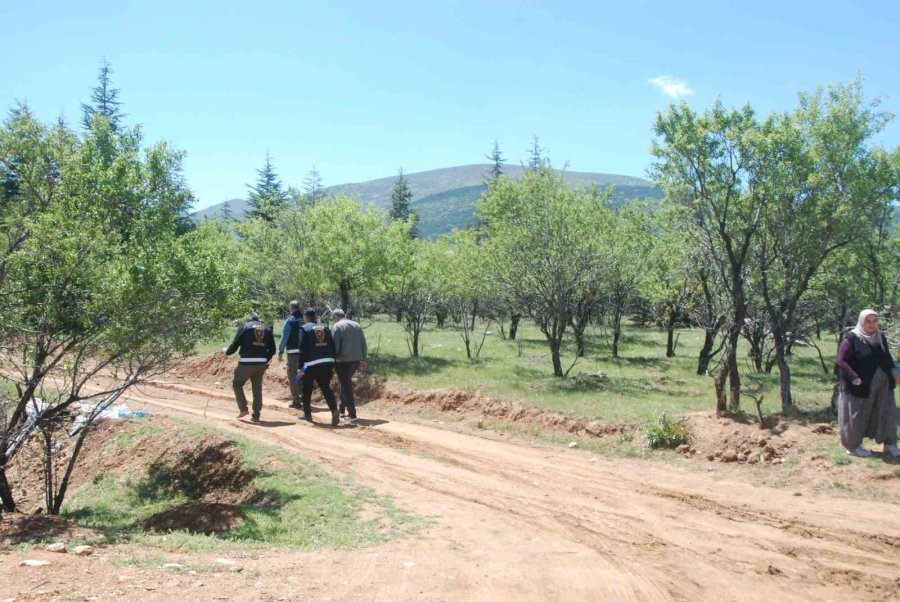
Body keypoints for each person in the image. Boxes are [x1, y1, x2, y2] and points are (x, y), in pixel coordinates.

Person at [835, 309, 900, 458]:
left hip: (883, 385)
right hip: (860, 386)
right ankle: (853, 447)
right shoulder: (852, 338)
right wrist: (853, 377)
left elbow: (887, 357)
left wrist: (894, 371)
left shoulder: (880, 338)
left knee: (887, 412)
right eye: (868, 321)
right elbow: (841, 360)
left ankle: (890, 444)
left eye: (874, 321)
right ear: (861, 321)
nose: (871, 324)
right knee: (857, 416)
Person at [223, 312, 276, 423]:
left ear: (249, 320)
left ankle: (243, 409)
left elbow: (235, 343)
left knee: (237, 384)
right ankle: (256, 415)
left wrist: (227, 352)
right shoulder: (267, 329)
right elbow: (273, 350)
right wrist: (265, 361)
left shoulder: (245, 327)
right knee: (257, 389)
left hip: (246, 363)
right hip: (261, 363)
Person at [296, 308, 340, 426]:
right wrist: (333, 361)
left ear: (306, 317)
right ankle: (334, 410)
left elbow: (302, 349)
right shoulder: (325, 327)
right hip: (327, 362)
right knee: (326, 388)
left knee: (307, 389)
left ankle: (307, 414)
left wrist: (300, 366)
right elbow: (332, 344)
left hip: (309, 364)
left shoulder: (304, 329)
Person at [331, 308, 367, 423]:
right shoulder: (356, 325)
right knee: (345, 382)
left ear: (336, 316)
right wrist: (363, 358)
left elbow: (335, 346)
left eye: (333, 318)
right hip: (356, 360)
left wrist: (332, 359)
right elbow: (363, 343)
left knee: (346, 384)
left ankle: (352, 414)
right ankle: (341, 410)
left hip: (342, 361)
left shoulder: (337, 327)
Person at [277, 300, 304, 409]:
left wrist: (280, 351)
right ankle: (303, 397)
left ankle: (296, 401)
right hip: (305, 355)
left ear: (291, 308)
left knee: (293, 376)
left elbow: (284, 337)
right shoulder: (306, 319)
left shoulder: (290, 320)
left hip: (293, 353)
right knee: (302, 374)